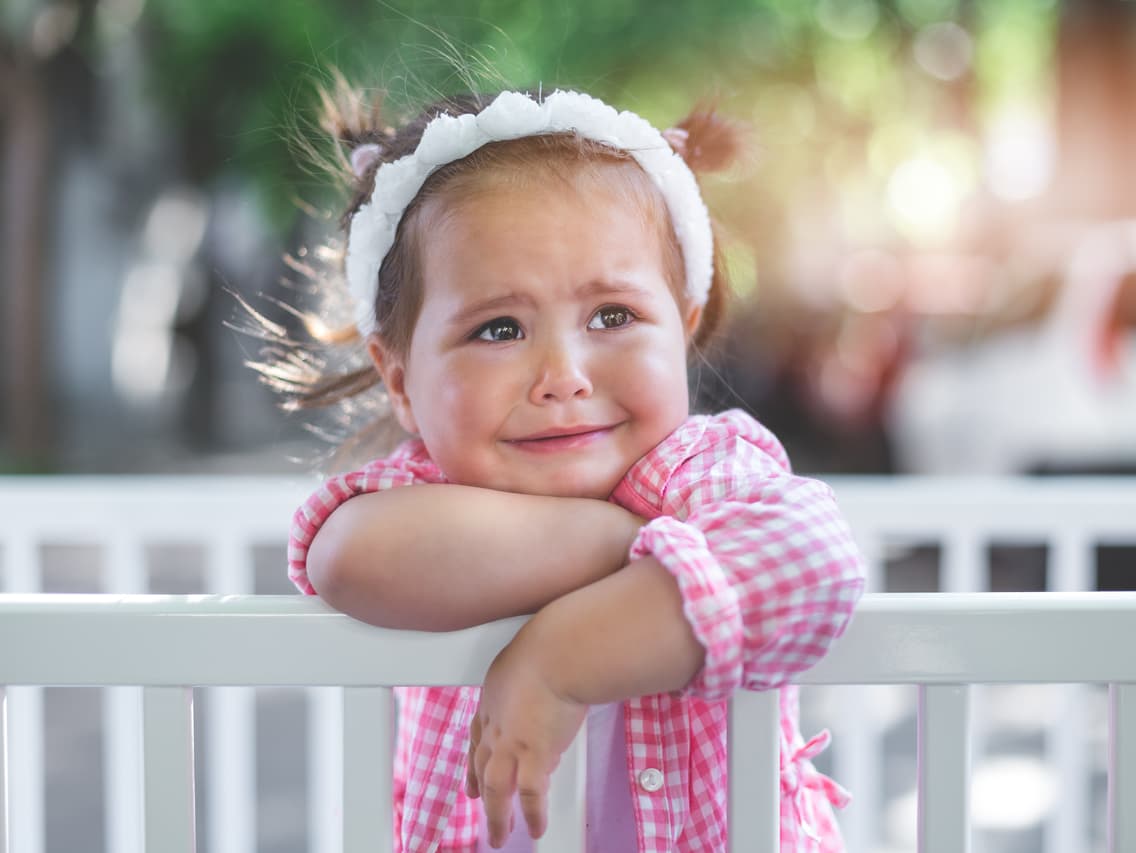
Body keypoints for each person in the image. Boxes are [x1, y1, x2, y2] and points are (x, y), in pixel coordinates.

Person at [266, 79, 865, 852]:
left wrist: (558, 663)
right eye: (499, 327)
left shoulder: (704, 469)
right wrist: (629, 540)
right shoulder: (429, 489)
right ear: (401, 380)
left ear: (681, 330)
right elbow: (348, 556)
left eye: (612, 315)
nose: (564, 374)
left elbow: (813, 558)